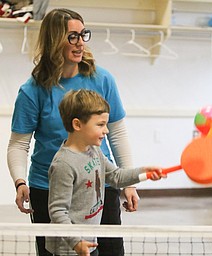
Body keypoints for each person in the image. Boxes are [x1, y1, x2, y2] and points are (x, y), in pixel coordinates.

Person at [7, 8, 139, 256]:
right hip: (48, 188)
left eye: (83, 34)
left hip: (100, 183)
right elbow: (18, 144)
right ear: (54, 39)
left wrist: (129, 184)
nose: (80, 43)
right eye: (72, 37)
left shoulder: (102, 79)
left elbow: (117, 132)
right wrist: (20, 182)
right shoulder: (32, 90)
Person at [46, 89, 165, 256]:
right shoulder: (64, 164)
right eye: (100, 125)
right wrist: (76, 243)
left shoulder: (94, 150)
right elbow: (58, 211)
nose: (106, 130)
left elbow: (115, 176)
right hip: (69, 249)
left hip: (89, 242)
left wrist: (144, 173)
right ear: (77, 125)